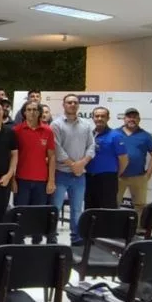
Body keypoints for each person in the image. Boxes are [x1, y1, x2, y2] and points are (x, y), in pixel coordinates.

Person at [50, 94, 95, 245]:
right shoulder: (56, 125)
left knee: (77, 209)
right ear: (64, 105)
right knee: (55, 208)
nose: (72, 104)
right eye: (69, 102)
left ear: (78, 105)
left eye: (75, 102)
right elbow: (56, 148)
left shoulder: (86, 125)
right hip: (60, 173)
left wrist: (82, 163)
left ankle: (77, 238)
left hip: (79, 175)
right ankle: (51, 237)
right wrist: (73, 165)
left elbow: (91, 146)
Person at [12, 101, 55, 243]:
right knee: (21, 213)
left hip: (41, 180)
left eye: (35, 109)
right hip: (21, 179)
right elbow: (11, 157)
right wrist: (12, 180)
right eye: (29, 109)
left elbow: (52, 156)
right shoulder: (16, 131)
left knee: (38, 213)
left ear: (39, 112)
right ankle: (19, 240)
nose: (32, 112)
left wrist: (51, 180)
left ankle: (37, 241)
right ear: (24, 112)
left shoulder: (48, 131)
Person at [117, 108, 152, 218]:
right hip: (117, 176)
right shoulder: (114, 133)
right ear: (124, 119)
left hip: (138, 177)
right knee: (113, 204)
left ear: (139, 119)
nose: (132, 119)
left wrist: (148, 174)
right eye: (129, 117)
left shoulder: (145, 136)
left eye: (135, 117)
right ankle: (114, 226)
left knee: (140, 206)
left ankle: (138, 227)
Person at [86, 107, 128, 209]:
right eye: (97, 116)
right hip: (89, 177)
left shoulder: (116, 135)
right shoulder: (89, 135)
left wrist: (116, 174)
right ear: (93, 118)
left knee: (107, 209)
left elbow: (124, 159)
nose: (99, 118)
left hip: (108, 178)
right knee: (90, 208)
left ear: (108, 118)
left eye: (103, 116)